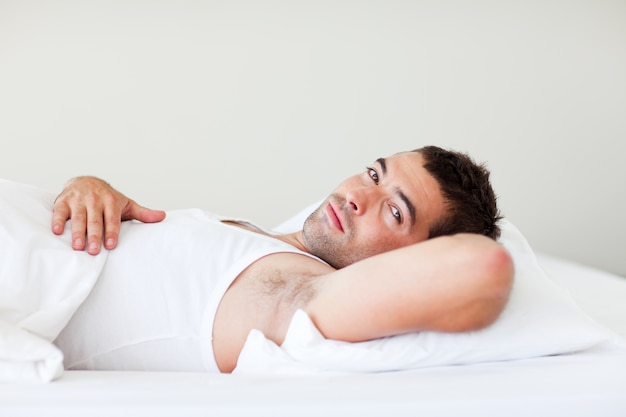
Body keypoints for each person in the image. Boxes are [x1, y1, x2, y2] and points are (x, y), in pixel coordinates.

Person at [51, 146, 513, 373]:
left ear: (416, 260)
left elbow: (482, 269)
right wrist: (88, 186)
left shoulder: (295, 288)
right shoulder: (257, 237)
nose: (359, 196)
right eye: (374, 173)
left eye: (394, 211)